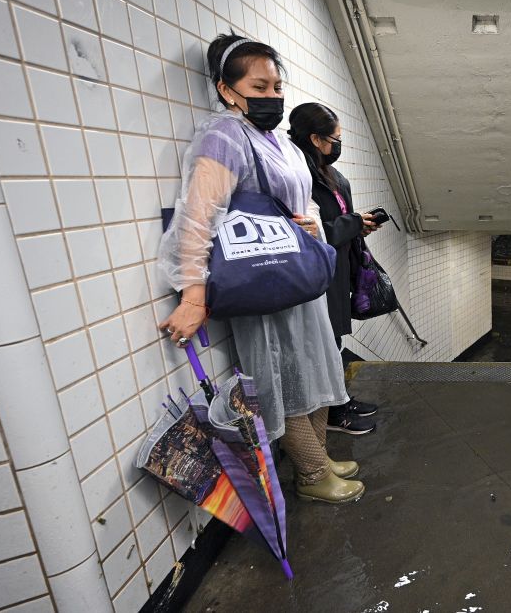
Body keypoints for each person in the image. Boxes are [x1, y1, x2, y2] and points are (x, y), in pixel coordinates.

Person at [156, 33, 365, 504]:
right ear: (228, 90)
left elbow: (300, 201)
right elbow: (197, 214)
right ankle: (312, 475)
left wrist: (308, 221)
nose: (273, 96)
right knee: (286, 376)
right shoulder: (223, 136)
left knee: (313, 370)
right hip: (262, 278)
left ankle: (320, 457)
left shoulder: (275, 141)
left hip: (296, 274)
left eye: (277, 86)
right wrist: (194, 295)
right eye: (259, 87)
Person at [288, 103, 382, 435]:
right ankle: (333, 412)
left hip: (339, 265)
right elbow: (310, 229)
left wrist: (359, 225)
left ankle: (340, 400)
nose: (338, 145)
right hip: (317, 272)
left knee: (336, 338)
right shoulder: (300, 175)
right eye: (335, 138)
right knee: (324, 343)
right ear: (315, 138)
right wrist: (351, 223)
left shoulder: (330, 174)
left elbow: (333, 222)